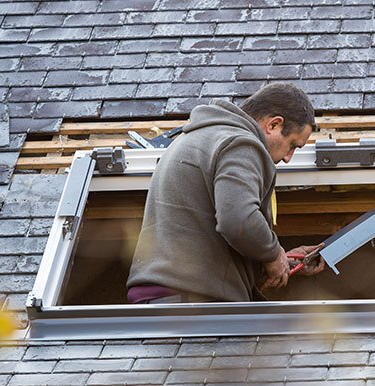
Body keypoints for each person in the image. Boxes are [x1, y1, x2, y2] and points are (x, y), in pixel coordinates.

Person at [127, 83, 326, 304]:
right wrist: (272, 252)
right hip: (191, 302)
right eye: (292, 145)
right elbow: (238, 221)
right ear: (274, 124)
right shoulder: (241, 144)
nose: (289, 158)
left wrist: (281, 259)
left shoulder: (197, 138)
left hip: (163, 300)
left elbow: (209, 235)